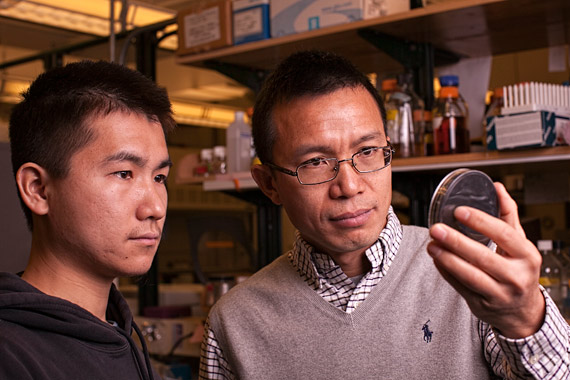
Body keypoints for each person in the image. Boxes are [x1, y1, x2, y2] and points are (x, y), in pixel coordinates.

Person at [199, 50, 570, 379]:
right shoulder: (233, 323)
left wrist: (525, 320)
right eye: (315, 162)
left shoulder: (474, 270)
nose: (349, 185)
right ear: (269, 184)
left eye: (367, 152)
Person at [0, 60, 176, 379]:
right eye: (124, 174)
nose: (155, 208)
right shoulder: (10, 355)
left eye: (160, 177)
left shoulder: (117, 331)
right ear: (38, 189)